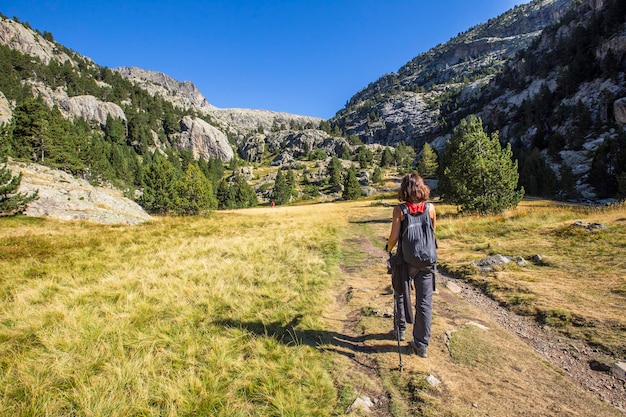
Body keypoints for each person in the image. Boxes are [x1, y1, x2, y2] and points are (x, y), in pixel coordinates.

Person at [386, 173, 437, 358]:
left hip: (407, 259)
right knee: (424, 302)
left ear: (404, 189)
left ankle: (399, 330)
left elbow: (394, 237)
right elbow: (432, 232)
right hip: (427, 259)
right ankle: (421, 344)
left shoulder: (400, 210)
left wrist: (388, 248)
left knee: (400, 292)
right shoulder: (430, 208)